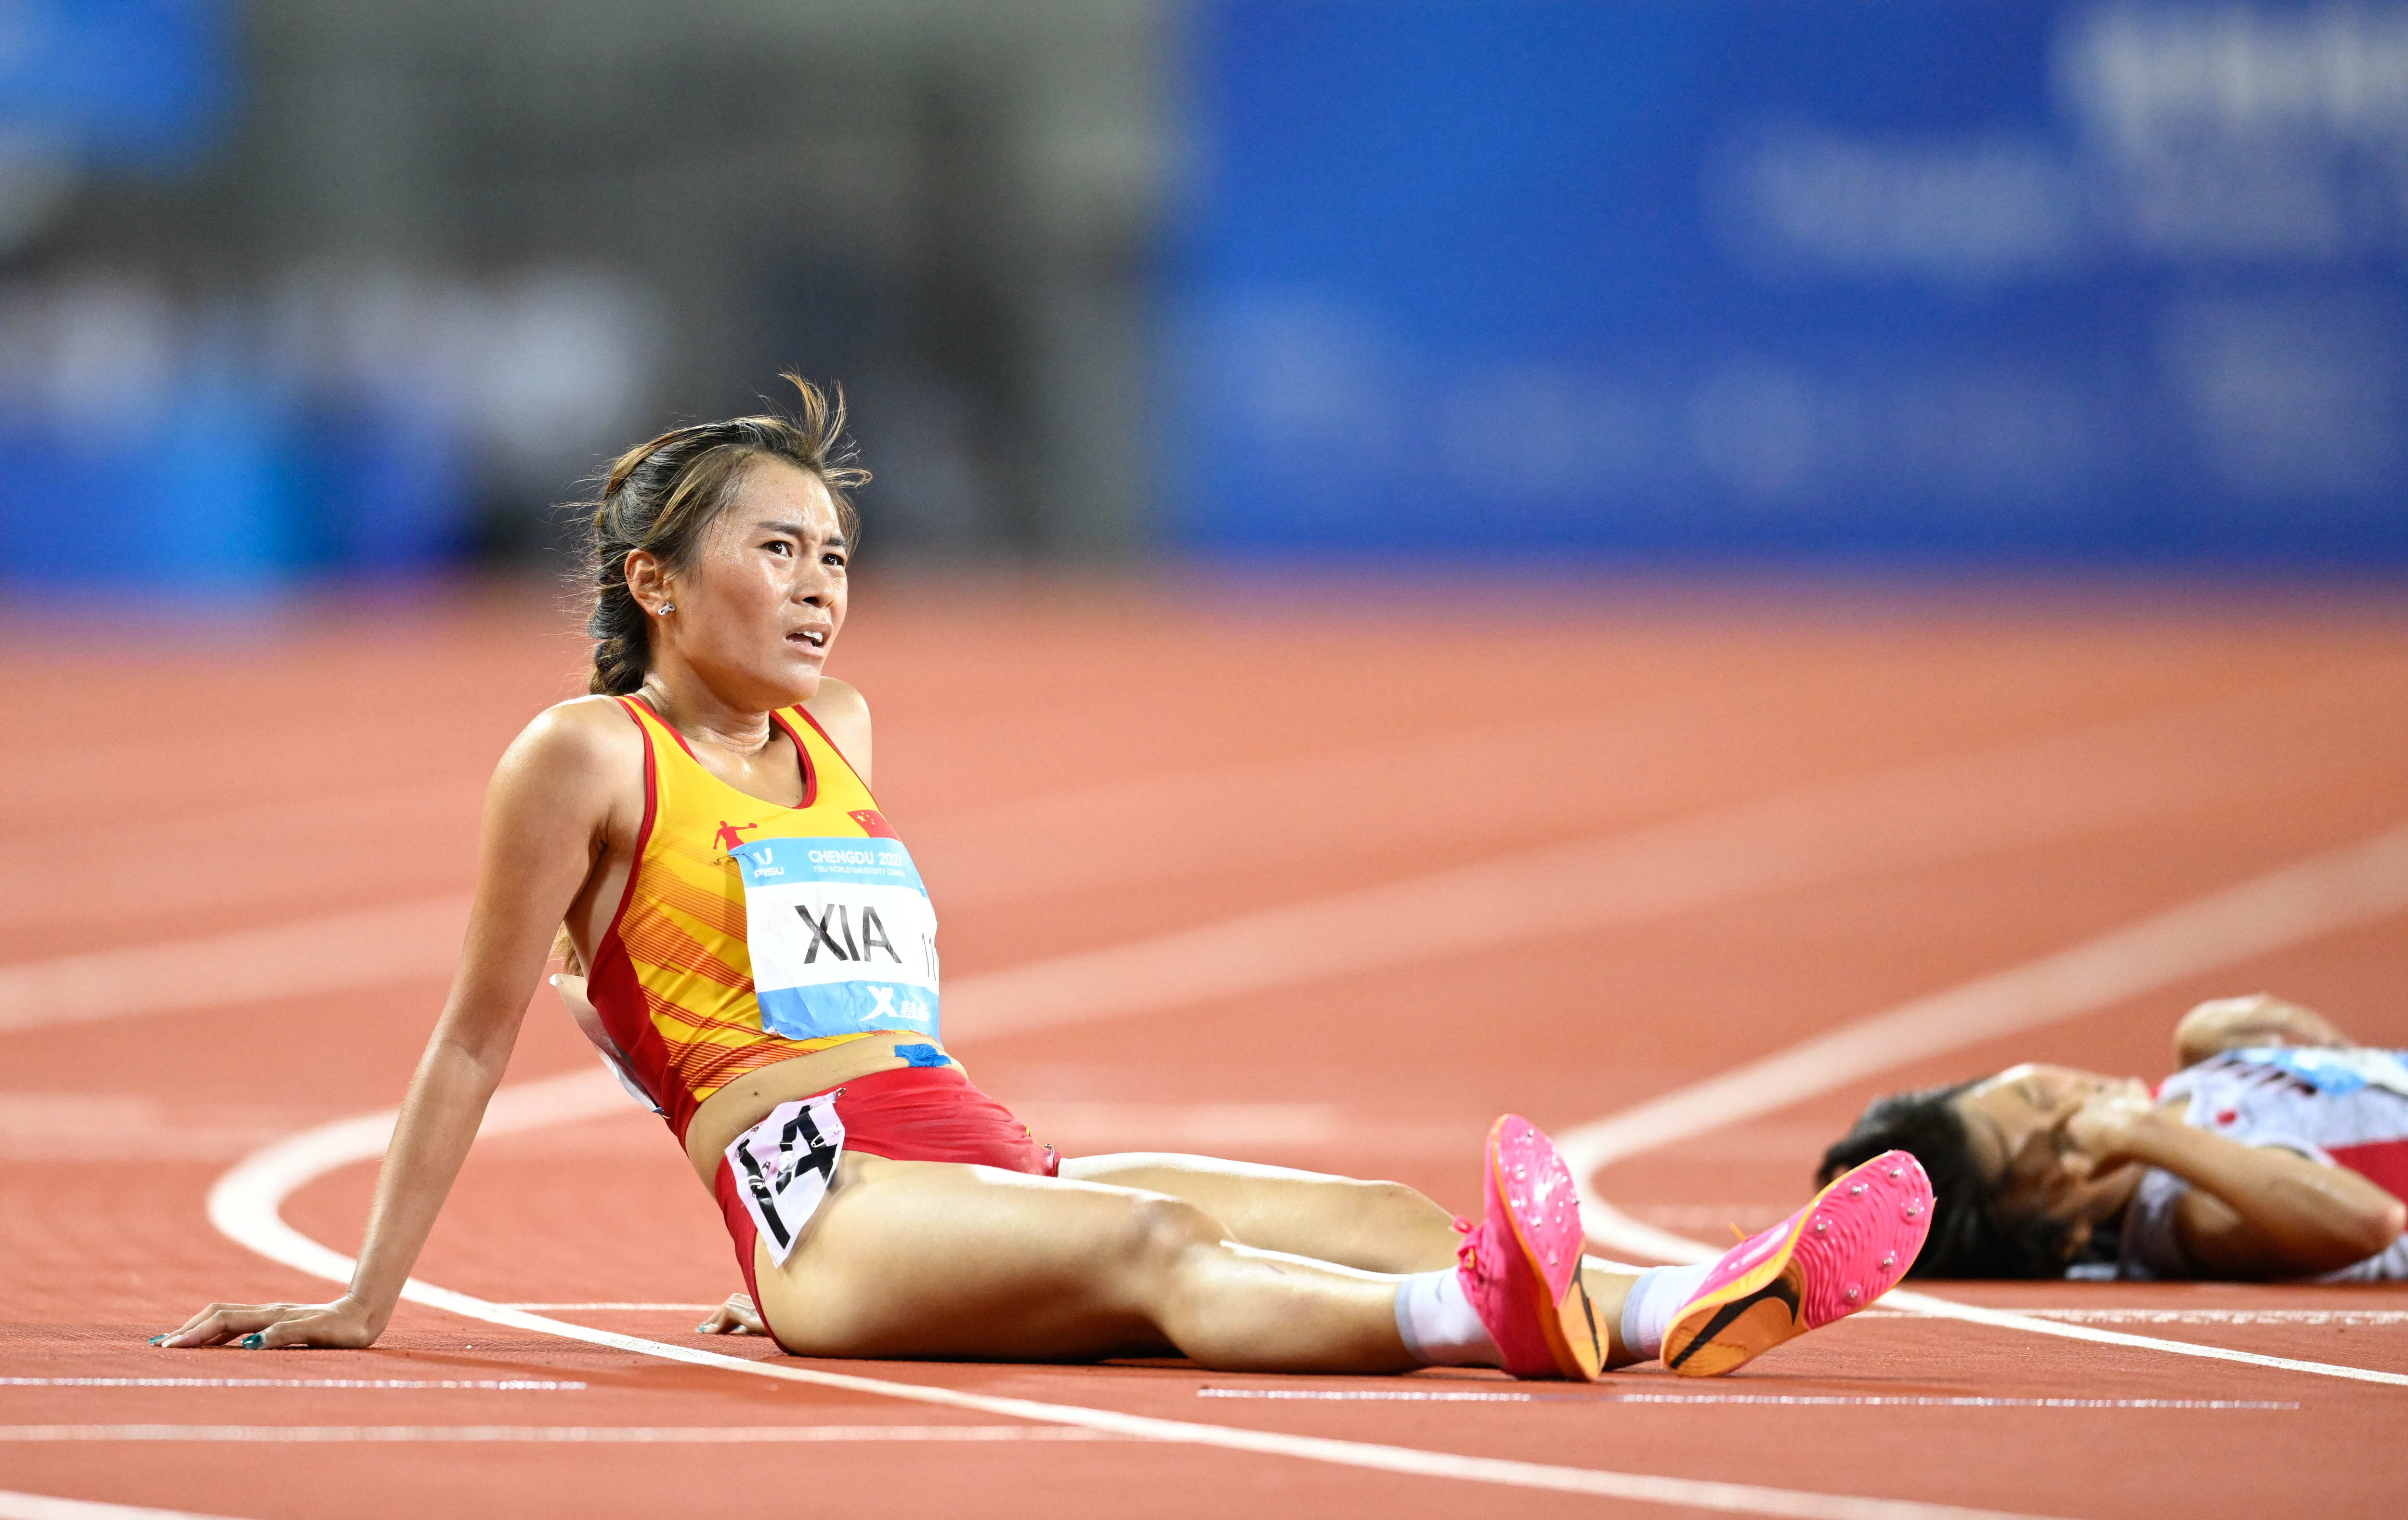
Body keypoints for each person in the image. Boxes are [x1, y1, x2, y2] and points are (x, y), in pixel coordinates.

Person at [158, 378, 1931, 1380]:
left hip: (966, 1145)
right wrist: (369, 1289)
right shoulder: (581, 754)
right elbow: (489, 1028)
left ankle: (1671, 1297)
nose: (817, 582)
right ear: (653, 580)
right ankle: (1497, 1318)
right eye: (773, 548)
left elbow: (777, 988)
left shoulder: (840, 724)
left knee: (1381, 1199)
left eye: (835, 552)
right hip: (833, 1213)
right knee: (1165, 1244)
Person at [1820, 993, 2408, 1282]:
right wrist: (2142, 1131)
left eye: (2033, 1092)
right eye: (2057, 1145)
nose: (2076, 1104)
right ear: (2065, 1235)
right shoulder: (2190, 1215)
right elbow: (2371, 1221)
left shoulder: (2196, 1082)